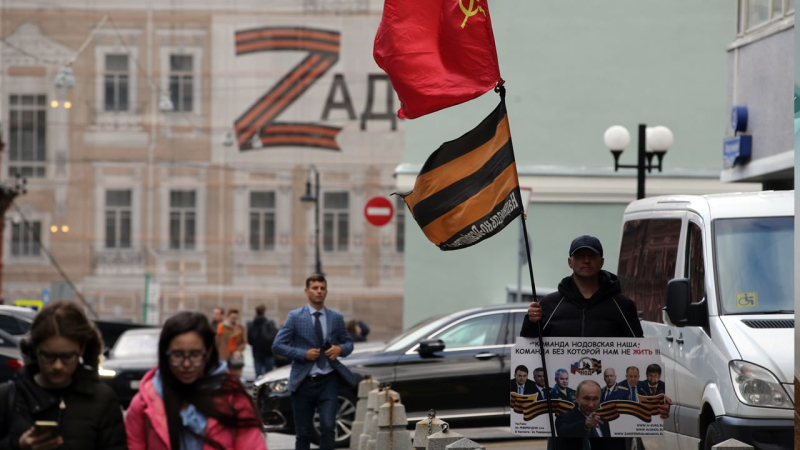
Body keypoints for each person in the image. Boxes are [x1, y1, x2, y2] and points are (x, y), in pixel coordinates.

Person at [521, 235, 670, 450]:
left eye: (591, 256)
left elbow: (640, 353)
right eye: (580, 256)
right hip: (565, 428)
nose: (586, 260)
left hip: (609, 426)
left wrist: (657, 397)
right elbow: (529, 349)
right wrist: (530, 321)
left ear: (601, 261)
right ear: (570, 262)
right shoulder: (550, 304)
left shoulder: (622, 305)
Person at [125, 311, 266, 450]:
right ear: (165, 354)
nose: (186, 364)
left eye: (195, 355)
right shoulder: (144, 404)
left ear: (208, 353)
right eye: (178, 355)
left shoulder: (233, 399)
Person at [0, 300, 127, 450]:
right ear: (35, 350)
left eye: (67, 357)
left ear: (81, 349)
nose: (57, 366)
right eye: (48, 356)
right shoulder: (8, 397)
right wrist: (18, 446)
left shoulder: (103, 399)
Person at [272, 274, 357, 450]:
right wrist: (303, 354)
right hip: (303, 381)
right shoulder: (295, 316)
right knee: (303, 432)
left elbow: (349, 344)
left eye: (322, 288)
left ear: (326, 292)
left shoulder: (336, 317)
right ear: (307, 291)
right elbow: (277, 345)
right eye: (315, 288)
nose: (319, 291)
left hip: (328, 380)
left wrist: (340, 349)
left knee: (327, 427)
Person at [247, 304, 278, 376]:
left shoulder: (252, 325)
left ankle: (259, 387)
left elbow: (249, 341)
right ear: (264, 312)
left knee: (258, 376)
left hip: (257, 353)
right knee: (269, 375)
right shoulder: (270, 324)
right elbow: (275, 337)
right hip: (269, 353)